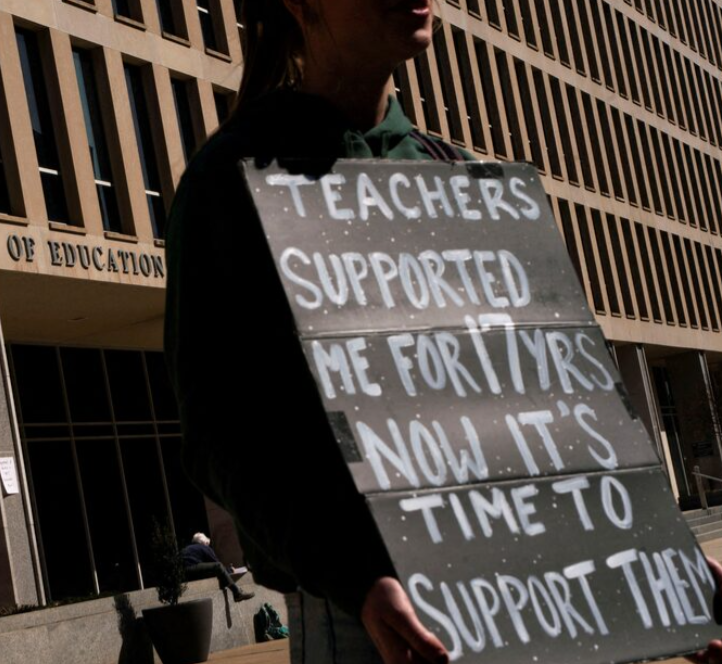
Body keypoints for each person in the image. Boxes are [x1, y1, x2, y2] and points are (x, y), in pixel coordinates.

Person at [163, 0, 722, 662]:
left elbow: (566, 408)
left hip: (532, 595)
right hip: (372, 622)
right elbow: (220, 431)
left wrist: (659, 553)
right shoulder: (231, 180)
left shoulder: (463, 181)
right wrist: (351, 576)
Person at [181, 532, 255, 602]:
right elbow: (216, 564)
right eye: (208, 544)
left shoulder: (189, 548)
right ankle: (237, 593)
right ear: (204, 542)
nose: (208, 546)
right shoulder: (203, 547)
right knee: (218, 566)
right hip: (190, 568)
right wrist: (230, 570)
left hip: (183, 573)